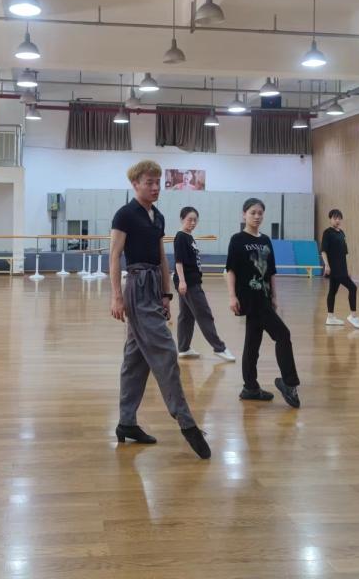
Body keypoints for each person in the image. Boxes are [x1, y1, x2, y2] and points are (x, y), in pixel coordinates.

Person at [110, 160, 211, 459]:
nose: (155, 187)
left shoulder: (159, 217)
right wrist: (117, 297)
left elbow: (161, 257)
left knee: (135, 359)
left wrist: (166, 293)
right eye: (149, 182)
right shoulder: (125, 214)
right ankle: (186, 421)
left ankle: (126, 422)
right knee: (166, 350)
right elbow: (114, 256)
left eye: (158, 182)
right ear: (135, 184)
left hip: (154, 286)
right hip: (137, 285)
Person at [225, 198, 301, 409]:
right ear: (244, 214)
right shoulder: (237, 239)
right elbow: (230, 269)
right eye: (253, 212)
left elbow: (271, 271)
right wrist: (232, 296)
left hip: (264, 296)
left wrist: (274, 296)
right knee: (283, 334)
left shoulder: (266, 240)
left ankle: (250, 387)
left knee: (253, 342)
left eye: (260, 213)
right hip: (249, 297)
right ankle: (289, 383)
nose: (257, 216)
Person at [174, 206, 235, 362]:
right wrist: (182, 281)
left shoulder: (189, 237)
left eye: (195, 220)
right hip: (188, 283)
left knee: (186, 316)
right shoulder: (181, 237)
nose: (193, 223)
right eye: (189, 219)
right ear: (182, 219)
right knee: (204, 314)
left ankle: (184, 348)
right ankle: (219, 348)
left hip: (190, 282)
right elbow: (179, 261)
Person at [321, 209, 359, 329]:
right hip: (335, 269)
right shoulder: (327, 233)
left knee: (332, 291)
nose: (337, 220)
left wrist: (347, 269)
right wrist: (327, 265)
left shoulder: (342, 233)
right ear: (330, 219)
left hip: (342, 268)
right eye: (335, 218)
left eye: (339, 218)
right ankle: (353, 316)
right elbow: (323, 251)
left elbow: (345, 253)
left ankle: (330, 317)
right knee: (353, 288)